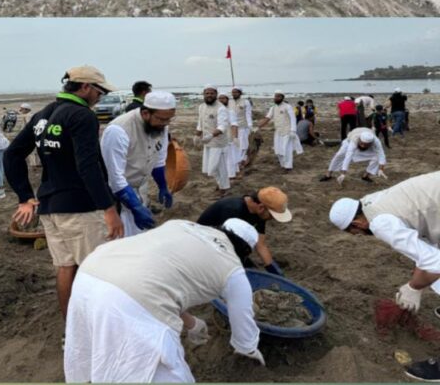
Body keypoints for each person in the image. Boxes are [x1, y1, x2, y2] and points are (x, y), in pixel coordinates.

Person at [64, 219, 263, 382]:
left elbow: (159, 280)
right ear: (244, 252)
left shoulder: (182, 225)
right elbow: (243, 319)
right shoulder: (233, 269)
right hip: (128, 298)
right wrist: (248, 348)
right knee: (157, 371)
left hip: (91, 272)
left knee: (96, 350)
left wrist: (192, 323)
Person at [5, 66, 124, 318]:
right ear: (85, 87)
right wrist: (109, 207)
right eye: (100, 92)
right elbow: (87, 165)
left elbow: (12, 153)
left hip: (51, 207)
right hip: (81, 206)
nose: (100, 98)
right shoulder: (81, 116)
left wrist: (25, 196)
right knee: (98, 270)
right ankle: (96, 326)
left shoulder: (42, 116)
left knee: (65, 267)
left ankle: (71, 329)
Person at [330, 172, 440, 315]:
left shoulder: (380, 223)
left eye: (355, 232)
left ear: (357, 224)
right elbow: (426, 250)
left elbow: (436, 262)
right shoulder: (372, 201)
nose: (359, 236)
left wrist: (413, 287)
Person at [100, 91, 176, 237]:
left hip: (138, 187)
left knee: (139, 237)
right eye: (162, 119)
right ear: (146, 113)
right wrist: (135, 206)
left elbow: (158, 159)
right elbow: (115, 178)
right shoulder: (118, 130)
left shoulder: (160, 125)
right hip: (116, 195)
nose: (166, 124)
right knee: (119, 239)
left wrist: (162, 186)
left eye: (169, 119)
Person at [197, 187, 292, 275]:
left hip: (228, 244)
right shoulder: (232, 210)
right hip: (205, 245)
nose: (272, 219)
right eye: (272, 215)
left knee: (251, 270)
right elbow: (224, 247)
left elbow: (260, 244)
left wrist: (275, 272)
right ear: (261, 207)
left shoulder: (260, 214)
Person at [196, 85, 230, 192]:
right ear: (203, 94)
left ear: (216, 94)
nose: (209, 95)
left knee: (216, 167)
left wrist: (210, 136)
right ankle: (221, 185)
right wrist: (197, 135)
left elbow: (222, 126)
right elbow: (200, 123)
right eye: (207, 93)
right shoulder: (201, 107)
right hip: (207, 142)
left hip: (218, 142)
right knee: (211, 167)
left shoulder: (221, 108)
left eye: (212, 93)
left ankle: (224, 187)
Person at [256, 90, 301, 171]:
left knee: (286, 149)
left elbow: (293, 118)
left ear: (282, 98)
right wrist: (259, 126)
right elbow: (267, 118)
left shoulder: (287, 106)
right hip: (278, 132)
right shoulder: (273, 108)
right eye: (275, 96)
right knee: (278, 150)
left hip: (287, 131)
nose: (276, 98)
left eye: (278, 96)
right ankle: (283, 165)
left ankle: (288, 167)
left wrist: (293, 130)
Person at [320, 128, 386, 183]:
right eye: (362, 143)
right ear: (359, 140)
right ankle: (328, 175)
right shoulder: (354, 140)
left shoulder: (376, 141)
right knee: (339, 155)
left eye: (365, 145)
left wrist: (381, 169)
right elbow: (348, 156)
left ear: (370, 143)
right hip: (348, 141)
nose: (363, 146)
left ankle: (366, 176)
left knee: (377, 157)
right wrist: (343, 173)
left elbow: (381, 154)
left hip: (367, 145)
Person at [228, 88, 253, 171]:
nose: (234, 94)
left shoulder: (245, 102)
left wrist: (250, 126)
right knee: (234, 145)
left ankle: (242, 160)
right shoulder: (229, 102)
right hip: (232, 127)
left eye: (236, 92)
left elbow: (248, 114)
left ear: (240, 93)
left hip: (243, 127)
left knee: (243, 145)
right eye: (233, 92)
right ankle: (236, 161)